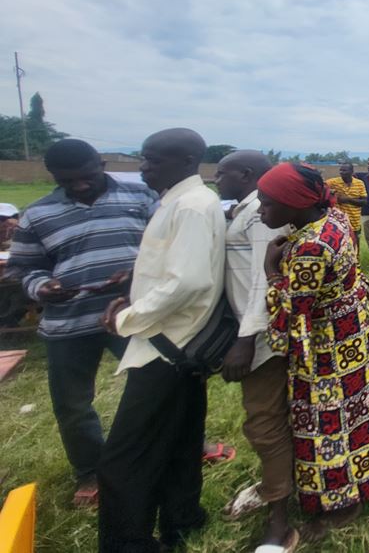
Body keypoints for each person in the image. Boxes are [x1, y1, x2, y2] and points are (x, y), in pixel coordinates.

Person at [6, 139, 158, 508]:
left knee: (160, 385)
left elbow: (167, 247)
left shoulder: (142, 198)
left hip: (134, 314)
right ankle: (91, 470)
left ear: (101, 163)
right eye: (67, 180)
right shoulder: (38, 214)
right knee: (73, 404)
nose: (79, 186)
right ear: (53, 176)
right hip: (69, 322)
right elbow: (23, 267)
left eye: (86, 177)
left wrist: (139, 274)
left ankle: (173, 449)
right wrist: (42, 287)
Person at [98, 129, 226, 552]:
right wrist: (135, 284)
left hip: (166, 347)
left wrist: (130, 317)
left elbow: (187, 280)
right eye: (143, 158)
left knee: (124, 457)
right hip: (178, 347)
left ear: (187, 160)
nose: (143, 167)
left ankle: (128, 542)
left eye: (153, 159)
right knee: (181, 440)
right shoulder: (185, 201)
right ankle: (183, 517)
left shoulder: (190, 206)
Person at [258, 162, 369, 538]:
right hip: (353, 330)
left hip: (329, 348)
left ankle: (340, 503)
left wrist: (272, 273)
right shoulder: (334, 220)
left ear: (294, 203)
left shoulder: (311, 245)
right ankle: (363, 484)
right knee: (358, 412)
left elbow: (291, 317)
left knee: (329, 421)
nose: (261, 210)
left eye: (267, 203)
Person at [214, 151, 296, 552]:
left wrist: (246, 339)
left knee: (265, 423)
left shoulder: (261, 215)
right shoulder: (246, 210)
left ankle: (280, 522)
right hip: (257, 331)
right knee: (269, 418)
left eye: (221, 172)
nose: (215, 178)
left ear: (246, 174)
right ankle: (277, 487)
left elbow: (266, 283)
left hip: (264, 337)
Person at [325, 162, 367, 235]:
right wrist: (330, 192)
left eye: (344, 170)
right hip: (338, 221)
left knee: (355, 244)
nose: (341, 172)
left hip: (354, 221)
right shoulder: (334, 182)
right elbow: (321, 187)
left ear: (351, 172)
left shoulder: (359, 183)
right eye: (341, 170)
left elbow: (364, 202)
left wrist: (348, 199)